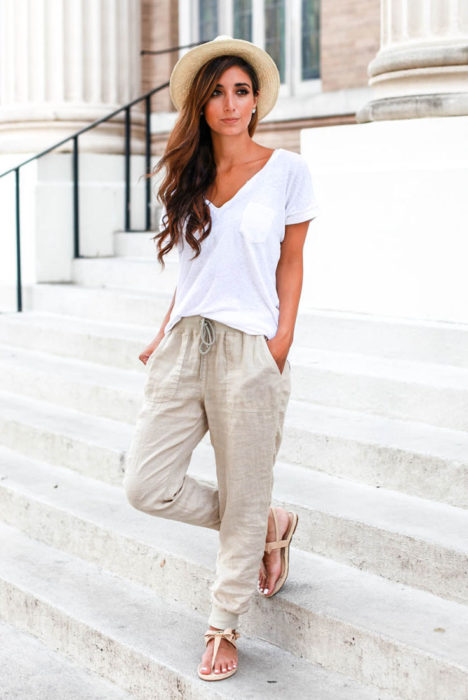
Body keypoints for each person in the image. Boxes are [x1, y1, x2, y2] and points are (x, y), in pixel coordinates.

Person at [123, 34, 319, 682]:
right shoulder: (185, 173)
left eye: (241, 90)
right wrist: (163, 331)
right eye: (217, 93)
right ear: (201, 106)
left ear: (256, 99)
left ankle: (222, 624)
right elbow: (190, 271)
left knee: (241, 485)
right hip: (186, 343)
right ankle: (265, 518)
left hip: (249, 349)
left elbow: (291, 264)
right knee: (146, 485)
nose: (230, 103)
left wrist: (281, 342)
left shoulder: (287, 170)